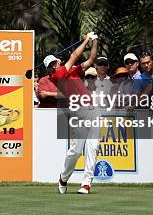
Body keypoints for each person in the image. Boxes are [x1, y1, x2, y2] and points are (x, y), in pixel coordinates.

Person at [46, 32, 98, 194]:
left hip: (92, 110)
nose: (57, 63)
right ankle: (63, 178)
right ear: (51, 68)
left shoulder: (74, 71)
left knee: (92, 148)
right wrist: (86, 40)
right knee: (76, 150)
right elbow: (75, 55)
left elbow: (91, 60)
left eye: (56, 61)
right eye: (53, 63)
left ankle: (86, 184)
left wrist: (94, 41)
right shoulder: (58, 74)